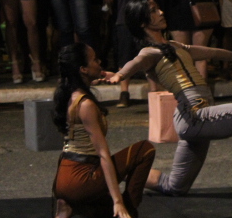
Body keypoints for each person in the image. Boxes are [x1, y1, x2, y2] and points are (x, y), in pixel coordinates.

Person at [106, 0, 232, 209]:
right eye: (154, 11)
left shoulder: (174, 45)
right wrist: (119, 75)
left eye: (158, 7)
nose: (162, 12)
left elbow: (208, 52)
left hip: (193, 118)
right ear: (143, 23)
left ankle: (119, 171)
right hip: (195, 114)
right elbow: (134, 63)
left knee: (175, 186)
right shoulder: (149, 52)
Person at [52, 43, 155, 218]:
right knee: (144, 149)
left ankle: (75, 206)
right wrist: (118, 202)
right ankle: (127, 210)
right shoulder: (86, 105)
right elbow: (103, 154)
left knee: (101, 211)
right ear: (83, 69)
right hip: (81, 179)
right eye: (94, 59)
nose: (100, 62)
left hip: (63, 179)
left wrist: (111, 76)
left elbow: (94, 77)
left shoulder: (69, 94)